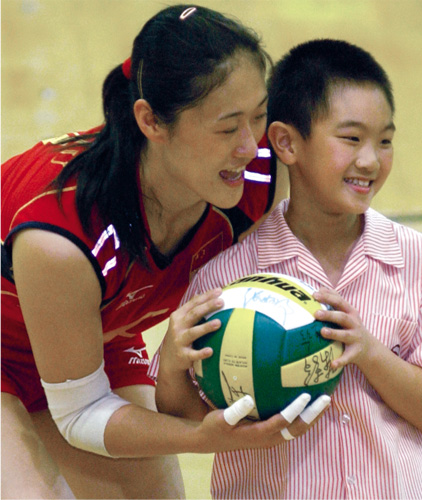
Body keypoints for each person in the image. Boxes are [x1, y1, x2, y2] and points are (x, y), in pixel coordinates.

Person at [1, 5, 328, 499]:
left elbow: (328, 238)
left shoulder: (256, 175)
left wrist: (418, 257)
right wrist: (201, 437)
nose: (249, 145)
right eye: (227, 127)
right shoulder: (62, 237)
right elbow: (81, 413)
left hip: (96, 335)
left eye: (259, 116)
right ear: (151, 121)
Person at [154, 39, 422, 499]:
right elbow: (188, 415)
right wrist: (170, 365)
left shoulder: (420, 260)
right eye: (351, 139)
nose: (370, 160)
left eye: (385, 141)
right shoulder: (228, 276)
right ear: (286, 142)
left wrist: (368, 350)